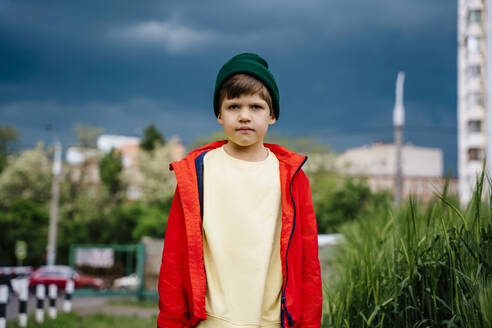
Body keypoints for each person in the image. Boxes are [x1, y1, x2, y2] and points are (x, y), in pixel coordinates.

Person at [157, 53, 322, 328]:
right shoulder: (196, 173)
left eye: (256, 107)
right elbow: (173, 259)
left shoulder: (292, 178)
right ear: (219, 114)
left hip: (271, 322)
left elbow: (309, 265)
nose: (244, 116)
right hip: (210, 322)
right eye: (234, 106)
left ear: (273, 115)